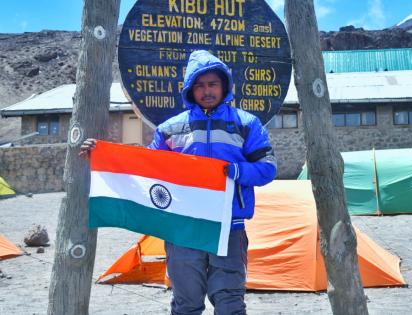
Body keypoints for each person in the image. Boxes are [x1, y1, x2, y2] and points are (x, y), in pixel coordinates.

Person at [80, 50, 277, 315]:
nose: (207, 91)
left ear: (224, 86)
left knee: (230, 304)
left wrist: (236, 172)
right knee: (186, 304)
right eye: (199, 85)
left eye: (212, 84)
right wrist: (102, 152)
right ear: (189, 90)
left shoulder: (246, 124)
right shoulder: (170, 129)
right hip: (182, 228)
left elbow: (267, 168)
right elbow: (146, 167)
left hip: (228, 227)